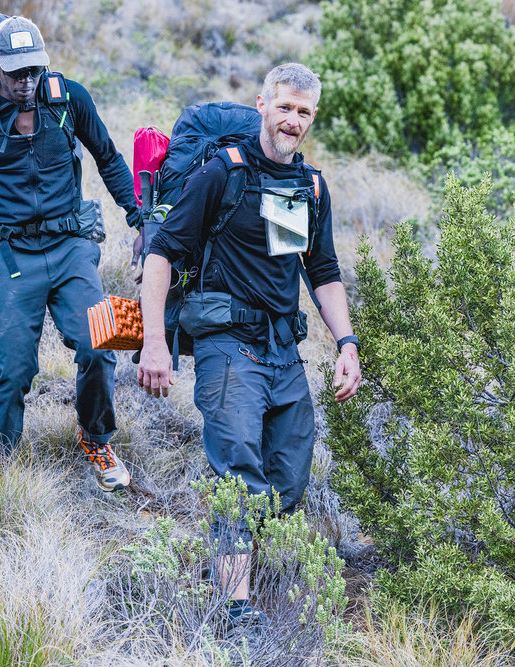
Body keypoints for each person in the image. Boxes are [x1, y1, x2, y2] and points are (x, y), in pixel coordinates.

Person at [137, 63, 361, 625]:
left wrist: (347, 344)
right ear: (262, 104)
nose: (293, 121)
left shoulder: (308, 187)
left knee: (289, 477)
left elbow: (323, 269)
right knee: (238, 473)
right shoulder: (223, 173)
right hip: (227, 348)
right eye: (284, 107)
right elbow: (161, 253)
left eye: (304, 112)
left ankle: (239, 565)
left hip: (283, 351)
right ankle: (235, 606)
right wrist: (155, 342)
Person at [0, 16, 140, 490]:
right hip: (9, 253)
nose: (26, 83)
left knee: (103, 345)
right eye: (16, 72)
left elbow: (110, 158)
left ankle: (97, 438)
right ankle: (3, 467)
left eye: (34, 71)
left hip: (70, 247)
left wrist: (141, 221)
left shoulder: (69, 98)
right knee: (12, 371)